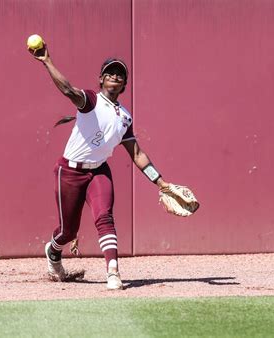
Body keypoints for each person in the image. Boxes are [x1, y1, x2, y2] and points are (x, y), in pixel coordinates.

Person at [28, 44, 170, 290]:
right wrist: (47, 61)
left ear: (125, 84)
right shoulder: (91, 101)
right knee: (68, 231)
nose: (115, 76)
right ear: (101, 79)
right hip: (70, 171)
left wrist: (160, 182)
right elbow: (67, 89)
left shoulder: (125, 117)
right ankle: (53, 251)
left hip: (98, 171)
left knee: (104, 216)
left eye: (120, 74)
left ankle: (113, 271)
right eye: (110, 72)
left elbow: (136, 153)